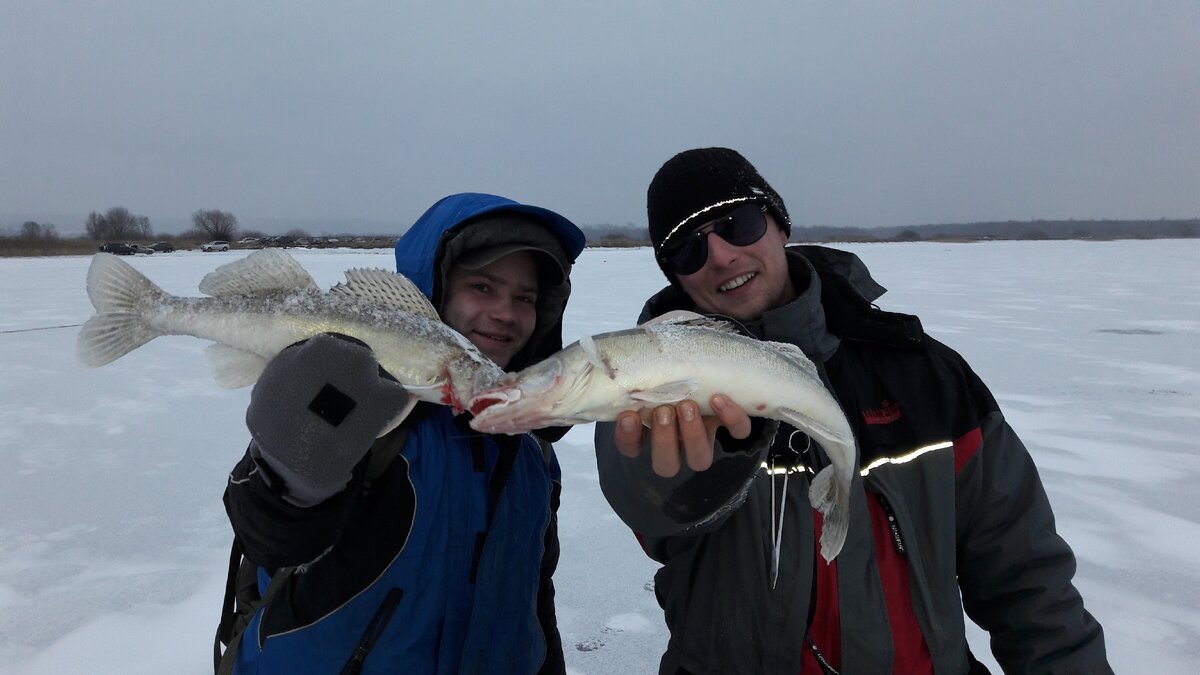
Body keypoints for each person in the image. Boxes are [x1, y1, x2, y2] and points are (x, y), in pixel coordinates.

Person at [595, 148, 1112, 674]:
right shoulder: (651, 394)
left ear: (779, 225)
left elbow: (1026, 579)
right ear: (676, 277)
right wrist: (692, 470)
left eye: (739, 223)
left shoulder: (926, 377)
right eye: (687, 250)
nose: (722, 255)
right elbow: (652, 513)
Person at [220, 192, 586, 674]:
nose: (505, 312)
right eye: (482, 286)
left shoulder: (533, 450)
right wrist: (293, 470)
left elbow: (535, 596)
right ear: (435, 288)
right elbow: (271, 537)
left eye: (525, 298)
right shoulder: (361, 412)